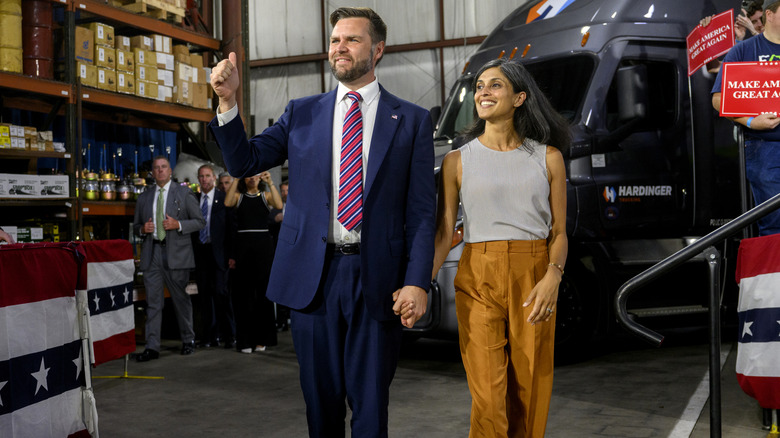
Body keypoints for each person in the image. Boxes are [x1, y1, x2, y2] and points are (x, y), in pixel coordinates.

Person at [209, 6, 435, 436]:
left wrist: (417, 280)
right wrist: (227, 101)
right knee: (320, 406)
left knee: (370, 407)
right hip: (312, 278)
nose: (339, 47)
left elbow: (422, 213)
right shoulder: (302, 112)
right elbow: (245, 160)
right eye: (334, 40)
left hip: (378, 279)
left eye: (351, 39)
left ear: (378, 49)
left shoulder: (411, 120)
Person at [431, 58, 569, 438]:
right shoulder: (457, 161)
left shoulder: (548, 157)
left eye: (495, 85)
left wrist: (552, 278)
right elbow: (444, 232)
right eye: (479, 87)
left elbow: (560, 232)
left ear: (520, 97)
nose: (483, 92)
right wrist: (418, 284)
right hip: (478, 275)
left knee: (530, 391)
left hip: (535, 274)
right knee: (488, 397)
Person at [712, 0, 780, 236]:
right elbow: (719, 99)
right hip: (764, 145)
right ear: (769, 14)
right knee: (774, 223)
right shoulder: (743, 50)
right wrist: (752, 122)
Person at [133, 156, 205, 361]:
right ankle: (152, 347)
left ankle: (188, 340)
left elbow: (200, 221)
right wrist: (142, 229)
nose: (160, 171)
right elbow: (136, 226)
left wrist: (178, 225)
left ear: (170, 170)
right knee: (153, 303)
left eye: (163, 167)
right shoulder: (144, 197)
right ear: (153, 173)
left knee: (181, 300)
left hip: (177, 254)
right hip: (152, 253)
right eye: (156, 168)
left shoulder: (183, 193)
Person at [224, 172, 282, 353]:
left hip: (263, 247)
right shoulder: (238, 197)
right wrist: (236, 178)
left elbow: (279, 205)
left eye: (255, 175)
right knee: (243, 294)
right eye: (249, 176)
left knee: (263, 293)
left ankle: (262, 339)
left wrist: (270, 182)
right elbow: (227, 203)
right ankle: (245, 340)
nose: (252, 178)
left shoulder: (265, 196)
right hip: (243, 247)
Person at [192, 164, 236, 348]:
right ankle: (209, 337)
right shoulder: (193, 200)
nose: (204, 179)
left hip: (220, 253)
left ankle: (230, 335)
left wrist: (232, 255)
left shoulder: (224, 199)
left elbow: (232, 229)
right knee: (204, 296)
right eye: (201, 176)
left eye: (208, 176)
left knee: (221, 293)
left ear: (214, 178)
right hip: (201, 253)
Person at [268, 180, 290, 331]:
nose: (284, 193)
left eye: (287, 190)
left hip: (297, 255)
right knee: (282, 287)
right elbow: (268, 223)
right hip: (279, 253)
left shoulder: (301, 208)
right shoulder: (275, 210)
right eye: (282, 191)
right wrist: (275, 220)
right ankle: (282, 320)